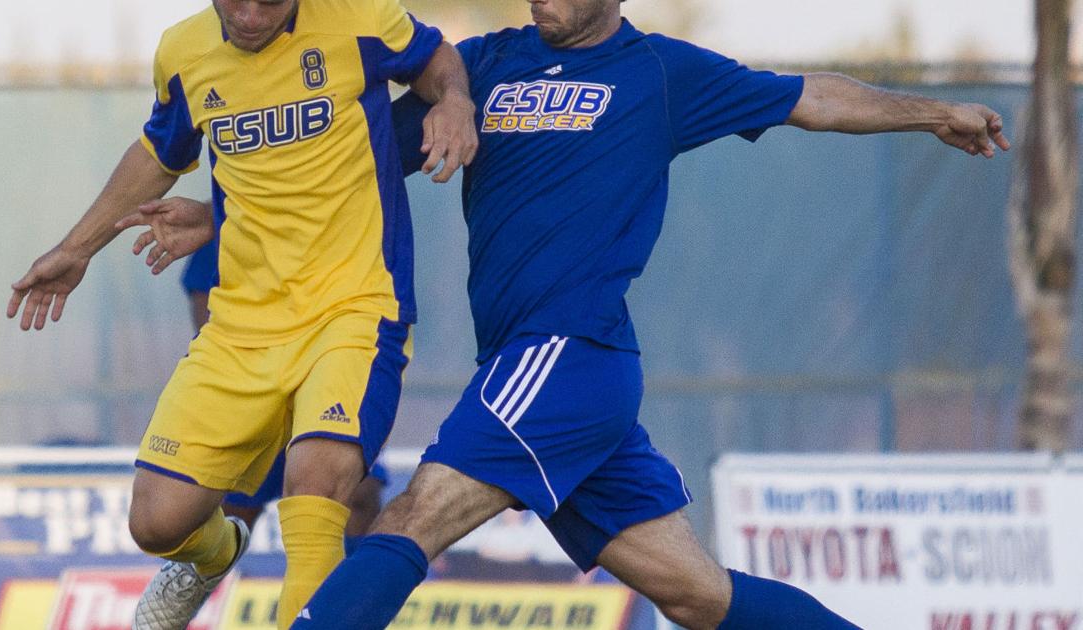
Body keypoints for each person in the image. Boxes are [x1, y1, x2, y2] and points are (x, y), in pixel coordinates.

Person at [121, 0, 1009, 628]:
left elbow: (808, 95)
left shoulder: (661, 73)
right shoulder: (488, 63)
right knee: (700, 598)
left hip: (567, 354)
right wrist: (218, 211)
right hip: (535, 372)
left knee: (404, 522)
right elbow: (344, 161)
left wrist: (931, 113)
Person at [6, 0, 477, 627]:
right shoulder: (184, 51)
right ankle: (215, 554)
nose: (252, 13)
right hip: (244, 325)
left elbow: (435, 57)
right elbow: (160, 150)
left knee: (316, 487)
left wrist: (454, 100)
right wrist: (76, 248)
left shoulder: (360, 16)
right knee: (156, 521)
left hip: (356, 307)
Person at [180, 228, 390, 549]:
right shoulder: (236, 216)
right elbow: (207, 316)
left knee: (357, 493)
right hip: (256, 390)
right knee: (218, 522)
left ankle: (344, 597)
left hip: (325, 381)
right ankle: (184, 591)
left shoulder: (342, 213)